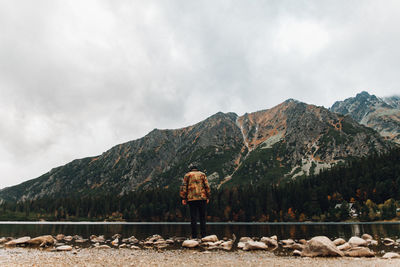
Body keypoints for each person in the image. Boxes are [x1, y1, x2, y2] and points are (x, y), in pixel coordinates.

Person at [179, 165, 211, 238]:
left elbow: (184, 187)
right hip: (202, 198)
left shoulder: (187, 175)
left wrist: (183, 198)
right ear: (197, 170)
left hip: (191, 199)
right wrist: (208, 196)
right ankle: (203, 235)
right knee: (202, 217)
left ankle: (194, 236)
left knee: (193, 217)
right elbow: (207, 186)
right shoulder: (203, 174)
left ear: (191, 170)